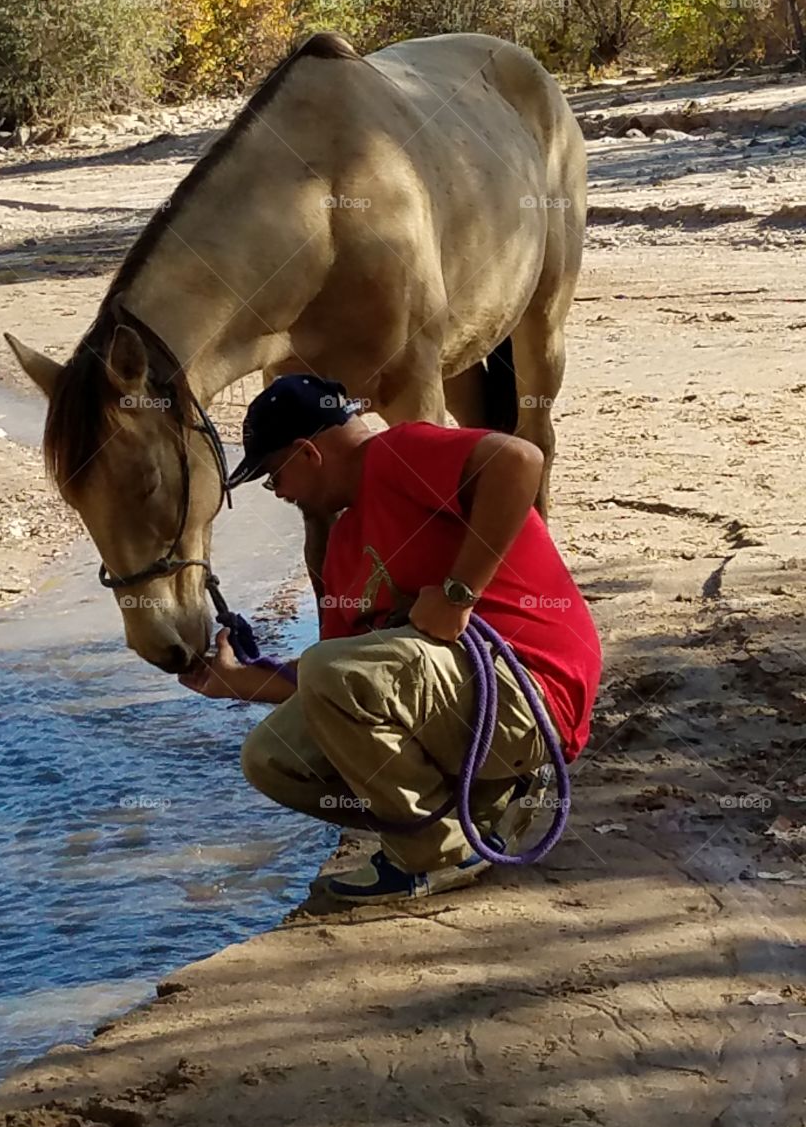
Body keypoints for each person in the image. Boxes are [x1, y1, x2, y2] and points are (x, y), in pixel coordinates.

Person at [179, 375, 602, 904]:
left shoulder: (398, 452)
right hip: (467, 708)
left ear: (308, 453)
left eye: (272, 476)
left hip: (533, 694)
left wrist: (458, 593)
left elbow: (518, 461)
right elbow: (344, 692)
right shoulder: (343, 544)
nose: (280, 493)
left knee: (329, 671)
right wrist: (239, 683)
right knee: (270, 756)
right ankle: (480, 809)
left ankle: (439, 852)